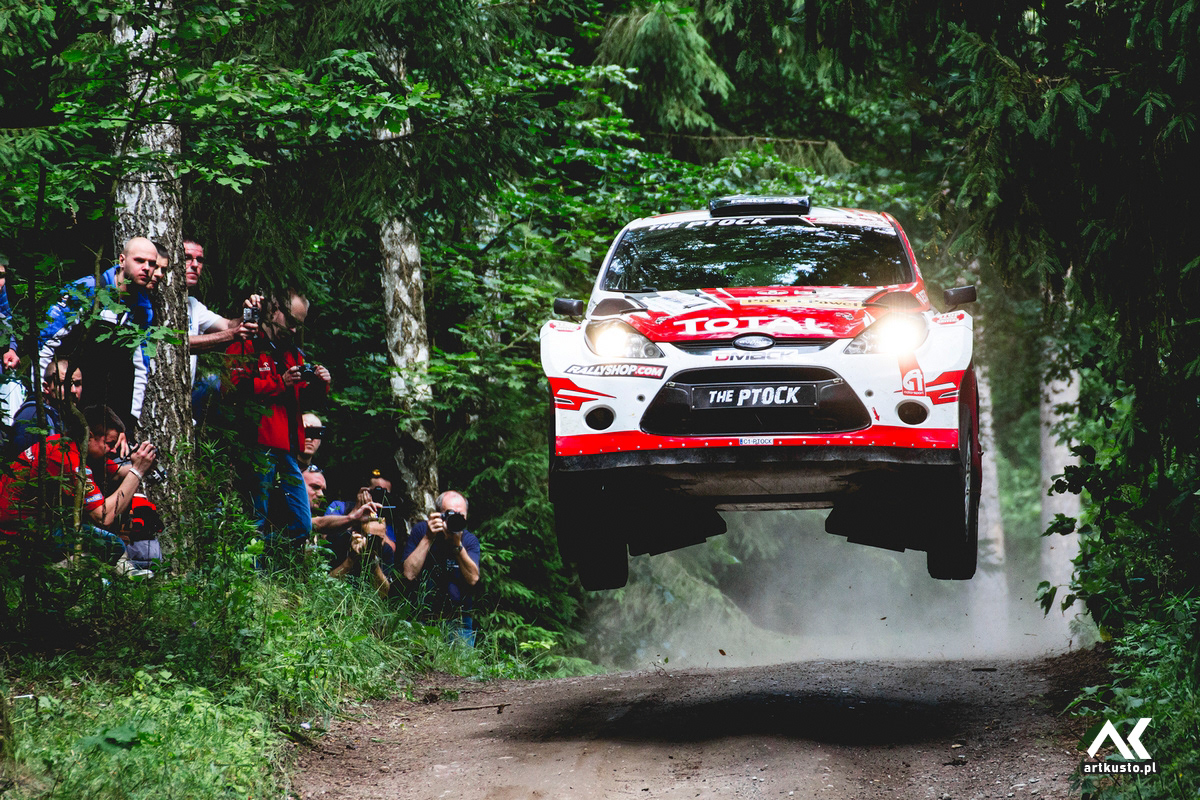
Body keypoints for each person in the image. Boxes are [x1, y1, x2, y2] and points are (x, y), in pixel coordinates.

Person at [226, 288, 331, 553]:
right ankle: (250, 567)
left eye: (299, 324)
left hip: (287, 449)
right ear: (274, 312)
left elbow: (304, 400)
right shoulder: (247, 342)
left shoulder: (291, 352)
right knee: (255, 519)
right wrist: (279, 383)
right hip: (258, 444)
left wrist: (320, 384)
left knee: (301, 525)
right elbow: (234, 386)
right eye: (292, 322)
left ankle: (264, 556)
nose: (294, 330)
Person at [0, 405, 158, 562]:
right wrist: (137, 471)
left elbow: (118, 473)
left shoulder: (65, 443)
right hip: (16, 533)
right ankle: (68, 570)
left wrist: (142, 462)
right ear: (89, 436)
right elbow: (103, 517)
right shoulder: (67, 458)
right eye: (110, 443)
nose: (113, 451)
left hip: (26, 525)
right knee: (112, 545)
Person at [38, 236, 158, 433]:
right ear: (122, 260)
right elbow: (45, 342)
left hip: (101, 408)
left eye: (152, 263)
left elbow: (141, 367)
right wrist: (38, 397)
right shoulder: (87, 290)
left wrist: (130, 422)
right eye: (140, 260)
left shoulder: (142, 308)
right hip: (60, 398)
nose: (147, 268)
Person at [400, 491, 482, 645]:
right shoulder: (422, 531)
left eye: (461, 515)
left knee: (462, 661)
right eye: (451, 514)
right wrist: (428, 538)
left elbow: (473, 579)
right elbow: (408, 573)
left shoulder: (469, 540)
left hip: (459, 620)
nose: (456, 519)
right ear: (439, 514)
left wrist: (457, 545)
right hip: (421, 617)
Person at [303, 465, 381, 566]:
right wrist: (353, 517)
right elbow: (319, 524)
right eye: (315, 487)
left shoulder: (314, 533)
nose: (321, 494)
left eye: (323, 490)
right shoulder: (287, 513)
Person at [9, 359, 83, 456]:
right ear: (46, 387)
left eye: (77, 384)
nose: (73, 390)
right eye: (64, 384)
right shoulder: (33, 415)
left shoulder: (69, 417)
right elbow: (19, 461)